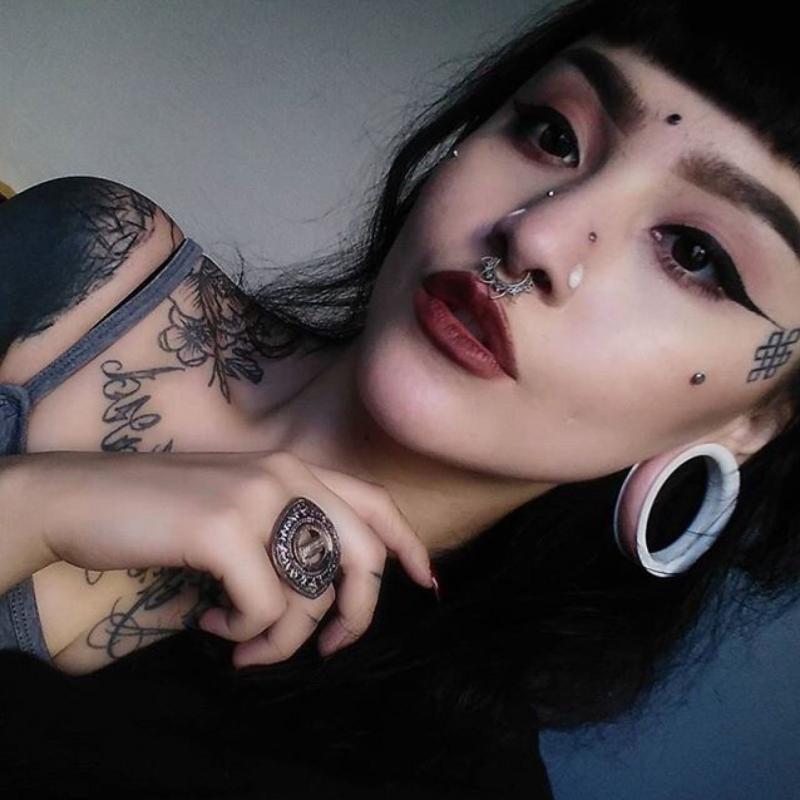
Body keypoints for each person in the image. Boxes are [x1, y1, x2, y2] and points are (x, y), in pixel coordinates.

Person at [1, 0, 799, 795]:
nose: (537, 237)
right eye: (553, 135)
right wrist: (35, 505)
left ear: (753, 420)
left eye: (694, 254)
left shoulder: (446, 777)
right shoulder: (95, 268)